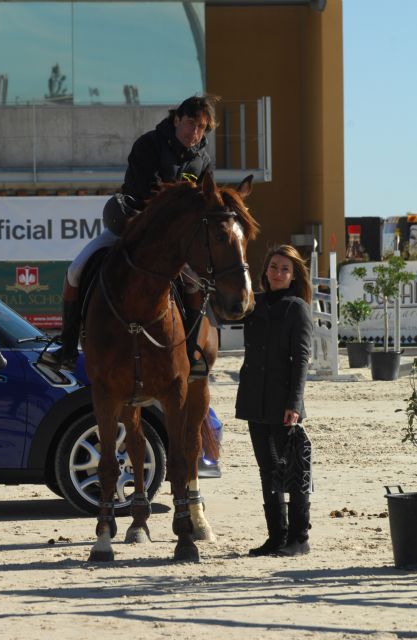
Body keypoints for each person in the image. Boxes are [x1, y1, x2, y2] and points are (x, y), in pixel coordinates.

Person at [40, 94, 219, 376]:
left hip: (173, 243)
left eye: (201, 127)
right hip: (132, 227)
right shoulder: (148, 145)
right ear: (176, 119)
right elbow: (142, 192)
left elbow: (205, 202)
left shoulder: (203, 161)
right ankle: (67, 347)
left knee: (196, 283)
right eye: (190, 123)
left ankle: (190, 352)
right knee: (75, 271)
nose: (194, 132)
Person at [235, 244, 314, 557]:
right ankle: (277, 536)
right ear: (265, 271)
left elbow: (302, 358)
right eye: (274, 267)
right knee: (267, 470)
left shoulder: (297, 308)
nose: (278, 273)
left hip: (284, 404)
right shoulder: (253, 304)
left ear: (293, 276)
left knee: (293, 470)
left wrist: (294, 404)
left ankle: (299, 538)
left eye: (285, 269)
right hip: (255, 400)